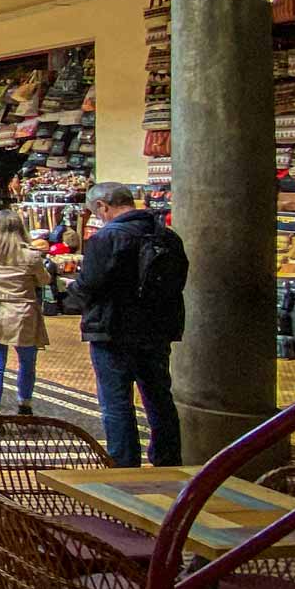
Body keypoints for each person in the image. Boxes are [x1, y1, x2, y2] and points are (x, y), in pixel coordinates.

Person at [73, 182, 186, 467]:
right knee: (159, 397)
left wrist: (73, 292)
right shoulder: (168, 237)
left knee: (116, 402)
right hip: (157, 330)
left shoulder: (107, 238)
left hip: (112, 330)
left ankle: (124, 465)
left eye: (95, 212)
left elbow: (90, 284)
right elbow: (179, 281)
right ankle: (167, 460)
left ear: (103, 206)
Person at [0, 209, 49, 416]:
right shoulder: (31, 255)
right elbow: (44, 280)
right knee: (27, 363)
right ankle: (25, 405)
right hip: (23, 313)